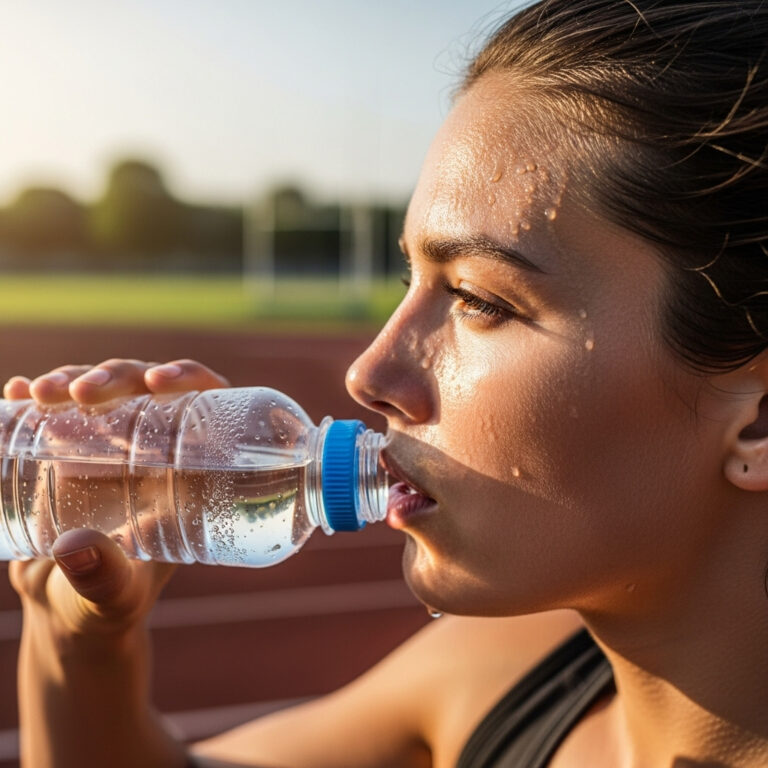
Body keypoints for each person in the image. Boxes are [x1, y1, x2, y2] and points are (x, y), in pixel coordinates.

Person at [6, 1, 768, 765]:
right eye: (410, 279)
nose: (369, 374)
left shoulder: (500, 679)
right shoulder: (504, 671)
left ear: (758, 419)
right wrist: (79, 642)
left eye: (479, 299)